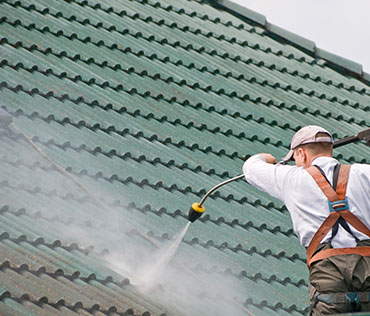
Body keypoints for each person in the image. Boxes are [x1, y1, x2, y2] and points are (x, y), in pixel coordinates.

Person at [242, 125, 370, 315]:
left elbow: (250, 168)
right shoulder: (364, 173)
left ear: (301, 154)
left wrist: (267, 158)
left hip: (328, 283)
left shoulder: (291, 178)